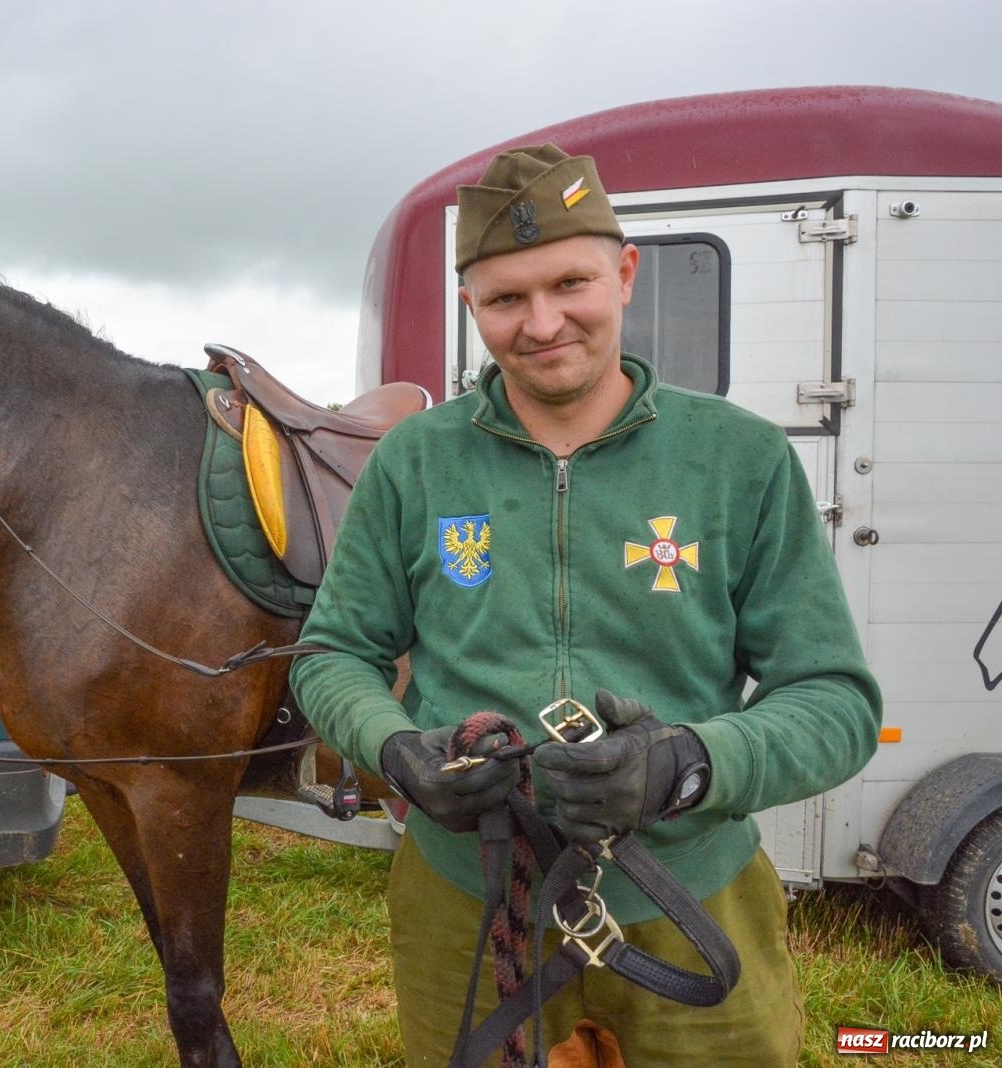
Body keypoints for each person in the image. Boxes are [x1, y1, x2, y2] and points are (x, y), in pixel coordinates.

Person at [289, 143, 881, 1066]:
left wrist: (690, 762)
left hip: (691, 895)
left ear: (626, 274)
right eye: (506, 298)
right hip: (472, 903)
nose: (542, 322)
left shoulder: (741, 460)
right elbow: (332, 655)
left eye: (571, 283)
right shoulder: (415, 462)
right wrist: (395, 747)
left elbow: (836, 703)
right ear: (470, 306)